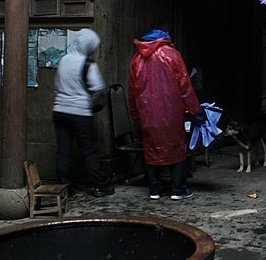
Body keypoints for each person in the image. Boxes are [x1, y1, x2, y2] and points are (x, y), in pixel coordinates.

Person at [128, 27, 202, 200]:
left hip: (148, 113)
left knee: (152, 149)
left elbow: (133, 89)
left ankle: (155, 189)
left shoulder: (137, 58)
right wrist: (194, 108)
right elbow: (184, 85)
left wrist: (134, 112)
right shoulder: (172, 55)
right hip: (171, 111)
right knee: (176, 148)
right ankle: (178, 189)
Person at [53, 27, 113, 198]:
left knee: (64, 152)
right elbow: (98, 91)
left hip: (59, 111)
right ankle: (101, 186)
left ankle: (65, 188)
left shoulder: (63, 60)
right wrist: (93, 107)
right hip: (80, 113)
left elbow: (57, 85)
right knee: (89, 150)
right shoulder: (88, 65)